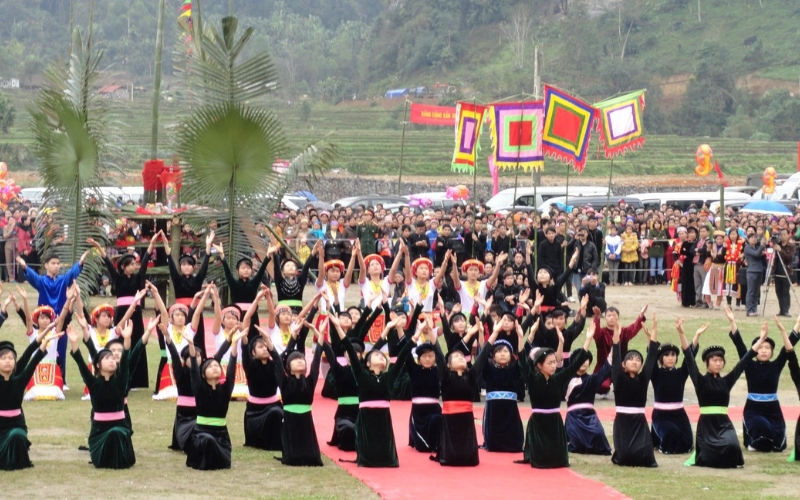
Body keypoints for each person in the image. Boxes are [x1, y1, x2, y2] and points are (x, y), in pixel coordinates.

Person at [332, 305, 418, 468]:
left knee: (386, 453)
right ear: (368, 363)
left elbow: (403, 355)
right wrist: (337, 326)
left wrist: (416, 334)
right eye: (376, 355)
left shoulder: (388, 377)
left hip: (383, 420)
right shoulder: (362, 376)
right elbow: (350, 348)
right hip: (366, 419)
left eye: (381, 356)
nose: (380, 356)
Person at [683, 321, 769, 468]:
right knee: (711, 456)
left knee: (732, 447)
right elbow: (689, 358)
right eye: (714, 360)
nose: (718, 363)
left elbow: (745, 360)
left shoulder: (727, 381)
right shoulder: (700, 381)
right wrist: (686, 334)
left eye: (720, 360)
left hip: (724, 424)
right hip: (706, 425)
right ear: (707, 362)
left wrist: (761, 340)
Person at [519, 315, 593, 468]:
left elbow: (575, 364)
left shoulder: (558, 378)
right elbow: (523, 362)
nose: (554, 366)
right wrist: (522, 337)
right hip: (538, 422)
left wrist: (588, 340)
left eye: (555, 362)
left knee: (558, 461)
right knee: (540, 461)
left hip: (555, 422)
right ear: (539, 365)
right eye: (550, 363)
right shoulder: (533, 380)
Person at [725, 308, 797, 452]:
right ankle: (753, 440)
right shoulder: (749, 365)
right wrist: (732, 322)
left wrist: (796, 324)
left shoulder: (776, 365)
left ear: (772, 352)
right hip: (753, 409)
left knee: (778, 443)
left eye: (767, 348)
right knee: (761, 428)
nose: (763, 350)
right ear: (755, 350)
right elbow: (739, 345)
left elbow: (788, 348)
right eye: (761, 347)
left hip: (773, 410)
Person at [67, 324, 136, 469]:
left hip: (120, 428)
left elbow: (125, 363)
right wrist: (74, 343)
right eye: (107, 358)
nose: (112, 360)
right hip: (99, 433)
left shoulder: (120, 381)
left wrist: (127, 339)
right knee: (111, 434)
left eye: (113, 358)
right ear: (98, 365)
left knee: (116, 433)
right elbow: (80, 363)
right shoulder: (93, 383)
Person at [18, 248, 89, 383]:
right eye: (53, 263)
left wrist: (80, 262)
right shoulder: (42, 281)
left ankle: (61, 379)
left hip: (61, 319)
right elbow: (32, 276)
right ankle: (38, 378)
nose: (56, 266)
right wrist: (24, 266)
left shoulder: (63, 280)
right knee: (42, 348)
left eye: (58, 263)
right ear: (46, 265)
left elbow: (71, 274)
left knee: (61, 348)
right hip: (44, 320)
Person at [184, 326, 246, 470]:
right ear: (203, 374)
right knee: (207, 441)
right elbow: (194, 367)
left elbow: (231, 368)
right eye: (210, 366)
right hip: (201, 433)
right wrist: (191, 345)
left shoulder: (225, 389)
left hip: (221, 436)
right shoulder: (199, 388)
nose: (215, 367)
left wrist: (235, 343)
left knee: (214, 446)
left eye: (217, 366)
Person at [0, 331, 60, 470]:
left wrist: (44, 342)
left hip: (16, 425)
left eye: (10, 358)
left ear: (15, 362)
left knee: (17, 435)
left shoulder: (19, 380)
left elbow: (32, 360)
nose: (8, 361)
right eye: (3, 358)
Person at [433, 319, 489, 467]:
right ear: (449, 365)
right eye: (456, 357)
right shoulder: (446, 377)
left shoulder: (471, 377)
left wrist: (494, 332)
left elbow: (482, 357)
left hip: (466, 420)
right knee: (451, 455)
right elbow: (438, 354)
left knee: (469, 457)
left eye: (462, 357)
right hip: (449, 420)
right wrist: (430, 335)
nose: (461, 358)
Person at [610, 314, 658, 467]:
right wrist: (616, 332)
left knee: (645, 456)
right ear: (624, 364)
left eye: (638, 360)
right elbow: (616, 355)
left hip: (639, 422)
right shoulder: (618, 377)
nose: (635, 361)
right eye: (631, 359)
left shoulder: (643, 379)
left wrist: (654, 331)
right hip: (623, 422)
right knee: (625, 457)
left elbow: (651, 358)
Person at [278, 321, 325, 466]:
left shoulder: (310, 381)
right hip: (290, 421)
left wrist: (321, 334)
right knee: (292, 458)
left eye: (302, 359)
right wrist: (293, 337)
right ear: (288, 367)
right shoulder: (284, 381)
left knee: (311, 457)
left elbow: (317, 358)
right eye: (295, 360)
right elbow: (278, 359)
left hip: (306, 421)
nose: (300, 361)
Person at [650, 318, 698, 455]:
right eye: (666, 355)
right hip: (661, 415)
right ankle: (657, 439)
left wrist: (695, 336)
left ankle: (657, 437)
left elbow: (690, 356)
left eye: (673, 355)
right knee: (671, 435)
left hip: (679, 414)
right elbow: (651, 356)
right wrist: (653, 331)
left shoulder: (681, 373)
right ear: (661, 359)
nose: (670, 358)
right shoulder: (656, 373)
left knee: (688, 443)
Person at [164, 229, 213, 351]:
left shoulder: (197, 280)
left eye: (189, 265)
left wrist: (208, 247)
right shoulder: (177, 279)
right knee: (180, 338)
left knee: (198, 339)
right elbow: (170, 264)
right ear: (180, 267)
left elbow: (205, 267)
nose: (186, 267)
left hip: (195, 311)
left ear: (193, 267)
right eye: (183, 265)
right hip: (180, 312)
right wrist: (166, 246)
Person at [564, 337, 612, 455]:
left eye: (587, 360)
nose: (584, 362)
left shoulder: (593, 379)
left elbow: (607, 367)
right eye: (581, 359)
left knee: (599, 435)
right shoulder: (566, 378)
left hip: (590, 416)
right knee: (576, 444)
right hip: (573, 417)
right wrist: (588, 338)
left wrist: (615, 343)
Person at [480, 325, 524, 453]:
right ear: (493, 356)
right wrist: (493, 333)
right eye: (498, 351)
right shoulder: (488, 370)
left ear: (511, 355)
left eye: (505, 351)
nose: (502, 354)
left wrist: (520, 337)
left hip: (510, 409)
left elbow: (523, 359)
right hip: (493, 409)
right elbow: (482, 356)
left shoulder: (515, 369)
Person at [216, 242, 270, 341]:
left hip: (252, 316)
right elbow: (227, 272)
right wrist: (222, 256)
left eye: (248, 268)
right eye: (243, 268)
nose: (246, 270)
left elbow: (262, 271)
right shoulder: (233, 284)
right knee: (237, 338)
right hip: (237, 315)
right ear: (238, 270)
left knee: (252, 339)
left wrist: (267, 257)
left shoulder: (254, 283)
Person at [591, 304, 646, 396]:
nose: (611, 318)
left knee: (627, 388)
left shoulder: (624, 332)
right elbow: (595, 332)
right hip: (603, 366)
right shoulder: (602, 333)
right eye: (609, 315)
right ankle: (606, 387)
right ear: (605, 318)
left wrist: (641, 315)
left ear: (618, 318)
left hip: (621, 367)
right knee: (600, 386)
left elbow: (634, 328)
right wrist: (597, 317)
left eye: (614, 315)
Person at [744, 233, 766, 317]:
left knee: (756, 292)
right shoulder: (747, 248)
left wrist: (762, 248)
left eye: (755, 237)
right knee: (751, 291)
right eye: (752, 237)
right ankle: (749, 310)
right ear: (748, 239)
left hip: (759, 270)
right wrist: (762, 245)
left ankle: (754, 309)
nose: (754, 239)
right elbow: (756, 254)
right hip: (752, 271)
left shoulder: (756, 247)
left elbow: (758, 254)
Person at [774, 228, 795, 317]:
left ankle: (786, 310)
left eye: (784, 234)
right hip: (777, 270)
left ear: (788, 235)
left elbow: (789, 258)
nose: (782, 236)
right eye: (780, 234)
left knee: (785, 291)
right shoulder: (777, 244)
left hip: (786, 270)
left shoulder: (791, 246)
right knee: (778, 291)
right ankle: (781, 309)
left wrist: (780, 251)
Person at [677, 227, 697, 307]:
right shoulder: (685, 243)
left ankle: (693, 301)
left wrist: (688, 252)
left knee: (693, 282)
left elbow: (691, 252)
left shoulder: (697, 243)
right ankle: (685, 301)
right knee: (685, 282)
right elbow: (682, 251)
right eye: (690, 233)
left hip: (694, 264)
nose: (691, 234)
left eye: (693, 233)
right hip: (686, 264)